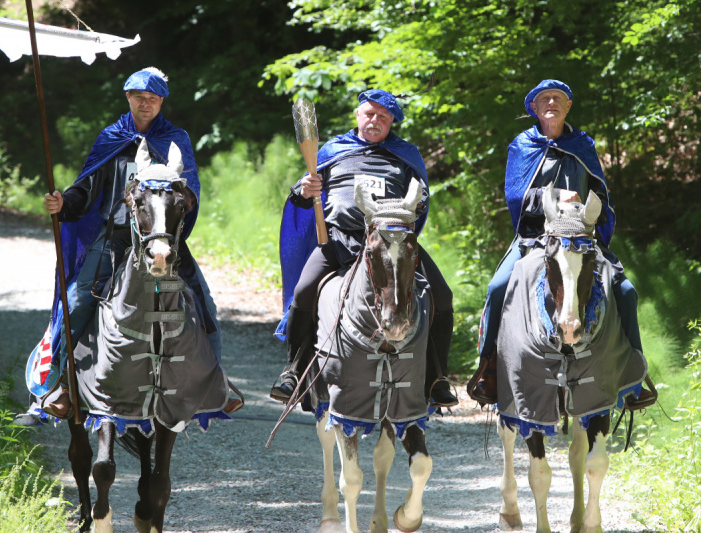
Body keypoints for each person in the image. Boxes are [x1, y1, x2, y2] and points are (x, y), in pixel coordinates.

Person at [24, 67, 241, 420]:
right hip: (115, 239)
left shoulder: (175, 139)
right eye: (140, 97)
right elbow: (87, 186)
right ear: (128, 98)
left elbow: (191, 192)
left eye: (153, 99)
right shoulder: (112, 136)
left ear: (161, 102)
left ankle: (216, 385)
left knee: (205, 306)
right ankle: (57, 385)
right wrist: (64, 203)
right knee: (75, 300)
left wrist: (182, 206)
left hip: (163, 239)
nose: (146, 104)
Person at [469, 79, 655, 407]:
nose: (551, 103)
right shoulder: (522, 145)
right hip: (535, 238)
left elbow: (601, 191)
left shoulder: (582, 144)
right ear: (534, 109)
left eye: (558, 98)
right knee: (498, 287)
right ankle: (489, 368)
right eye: (544, 99)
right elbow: (516, 196)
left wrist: (589, 208)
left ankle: (634, 373)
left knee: (626, 292)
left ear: (568, 106)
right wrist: (552, 197)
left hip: (581, 238)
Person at [271, 89, 458, 408]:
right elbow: (303, 193)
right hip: (339, 240)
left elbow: (422, 197)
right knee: (304, 292)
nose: (374, 120)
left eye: (383, 117)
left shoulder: (404, 154)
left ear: (391, 123)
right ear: (357, 115)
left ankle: (436, 376)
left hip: (393, 241)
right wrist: (304, 189)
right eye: (369, 114)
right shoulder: (332, 150)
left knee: (441, 295)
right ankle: (294, 371)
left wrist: (413, 205)